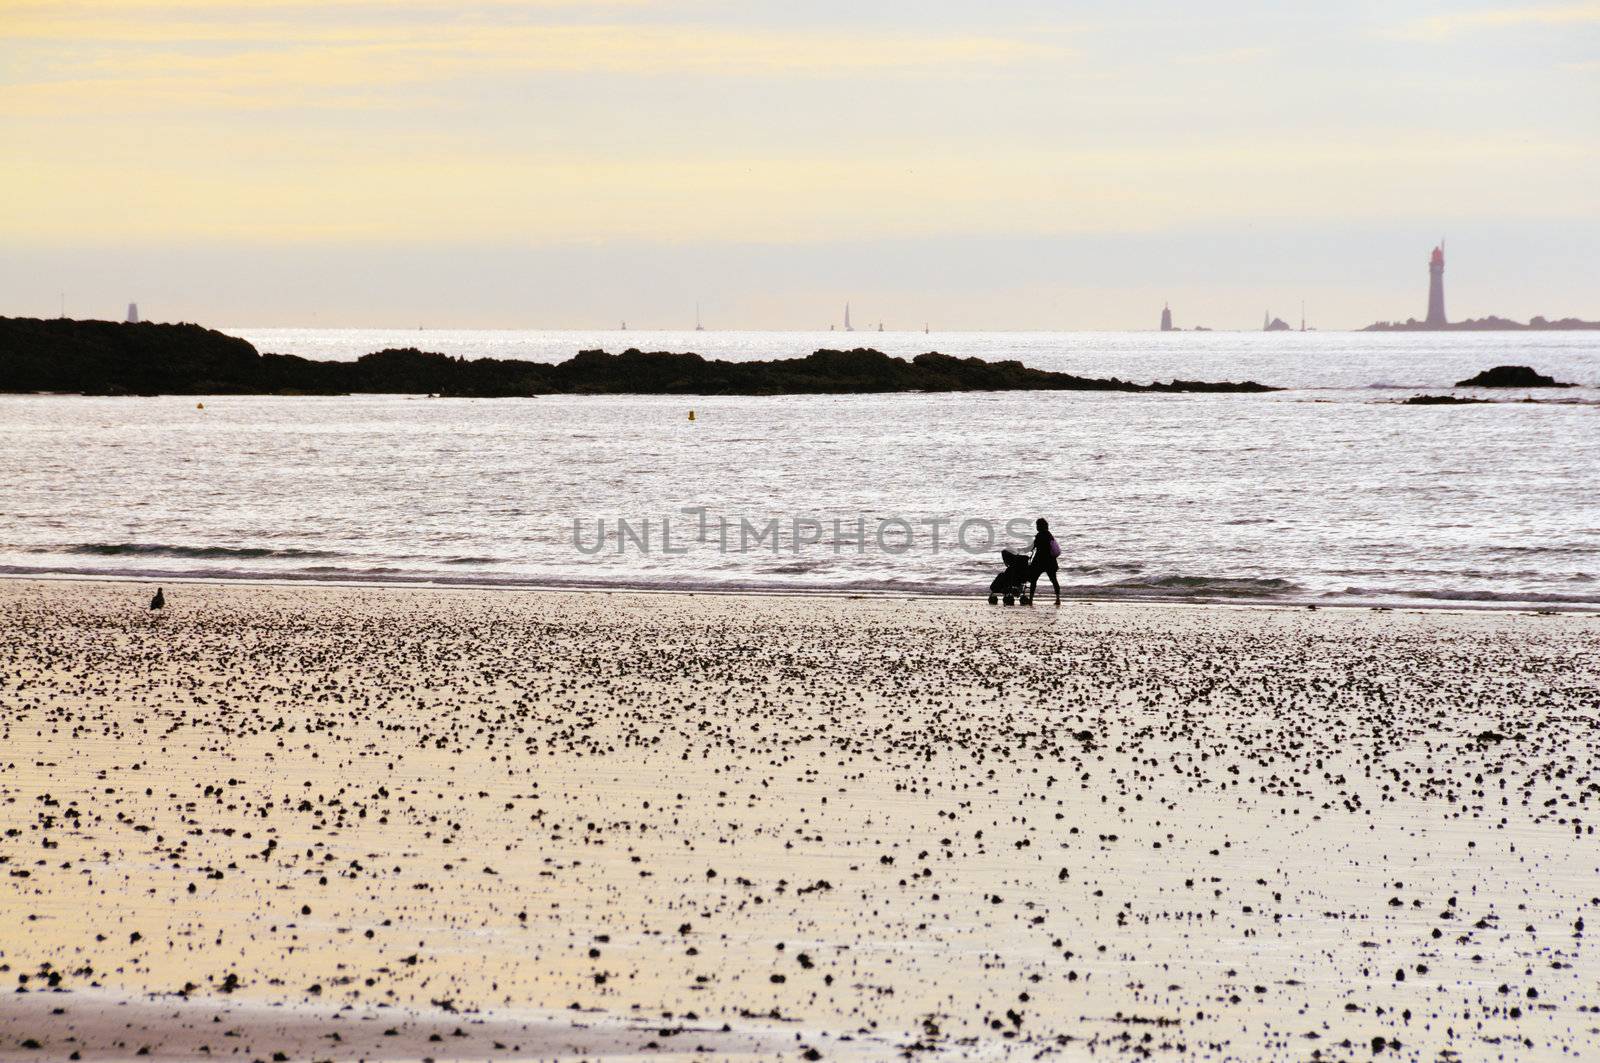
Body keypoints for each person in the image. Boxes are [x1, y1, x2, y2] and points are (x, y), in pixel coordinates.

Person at [1027, 518, 1060, 605]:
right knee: (1054, 580)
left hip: (1039, 561)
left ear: (1040, 526)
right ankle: (1058, 599)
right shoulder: (1050, 535)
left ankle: (1030, 600)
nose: (1036, 527)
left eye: (1037, 525)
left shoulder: (1039, 535)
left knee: (1033, 580)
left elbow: (1033, 547)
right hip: (1050, 562)